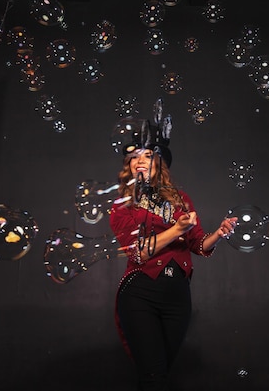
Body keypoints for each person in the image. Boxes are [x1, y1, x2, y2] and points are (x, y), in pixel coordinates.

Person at [109, 127, 237, 391]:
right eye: (134, 157)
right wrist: (177, 229)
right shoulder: (122, 205)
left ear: (160, 163)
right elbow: (139, 251)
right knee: (152, 376)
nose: (139, 160)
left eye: (147, 155)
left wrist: (219, 233)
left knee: (161, 373)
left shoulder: (181, 200)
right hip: (140, 293)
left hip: (177, 297)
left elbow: (199, 244)